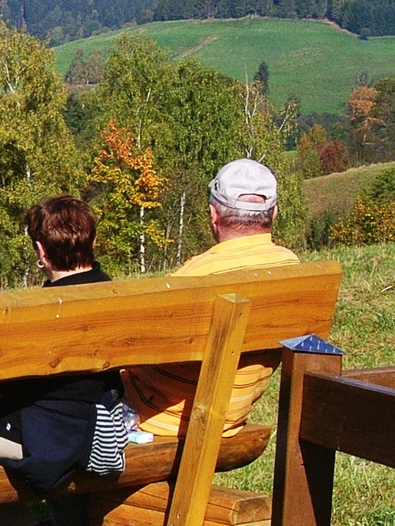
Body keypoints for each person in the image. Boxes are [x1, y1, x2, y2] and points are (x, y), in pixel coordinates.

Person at [0, 195, 128, 526]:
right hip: (105, 426)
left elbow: (0, 390)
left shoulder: (38, 311)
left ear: (41, 251)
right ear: (94, 242)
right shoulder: (118, 295)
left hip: (54, 439)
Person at [123, 158, 299, 438]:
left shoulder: (195, 277)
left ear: (213, 214)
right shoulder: (293, 270)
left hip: (160, 418)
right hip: (231, 415)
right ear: (274, 213)